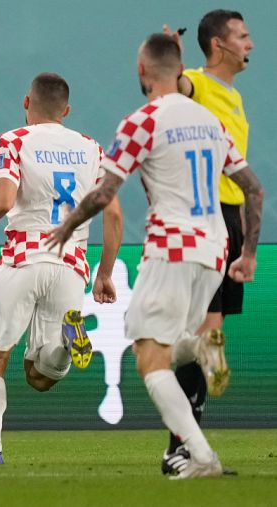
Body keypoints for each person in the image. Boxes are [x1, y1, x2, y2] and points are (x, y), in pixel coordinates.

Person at [46, 34, 263, 479]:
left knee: (149, 356)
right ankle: (201, 344)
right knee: (172, 343)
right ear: (181, 71)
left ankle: (201, 456)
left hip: (171, 247)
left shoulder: (140, 122)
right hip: (216, 249)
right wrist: (249, 253)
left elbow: (105, 192)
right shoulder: (210, 121)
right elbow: (253, 190)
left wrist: (66, 227)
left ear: (142, 71)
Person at [0, 72, 123, 465]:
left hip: (23, 257)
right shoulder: (92, 149)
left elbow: (4, 201)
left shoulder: (12, 141)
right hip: (71, 265)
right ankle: (64, 346)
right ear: (67, 111)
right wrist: (104, 272)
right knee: (40, 376)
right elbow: (115, 216)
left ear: (26, 103)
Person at [158, 10, 254, 474]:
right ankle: (181, 449)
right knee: (201, 338)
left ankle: (188, 446)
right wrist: (169, 61)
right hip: (204, 217)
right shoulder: (197, 82)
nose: (250, 44)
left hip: (230, 218)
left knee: (208, 340)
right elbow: (172, 88)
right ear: (219, 44)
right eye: (243, 36)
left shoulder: (233, 96)